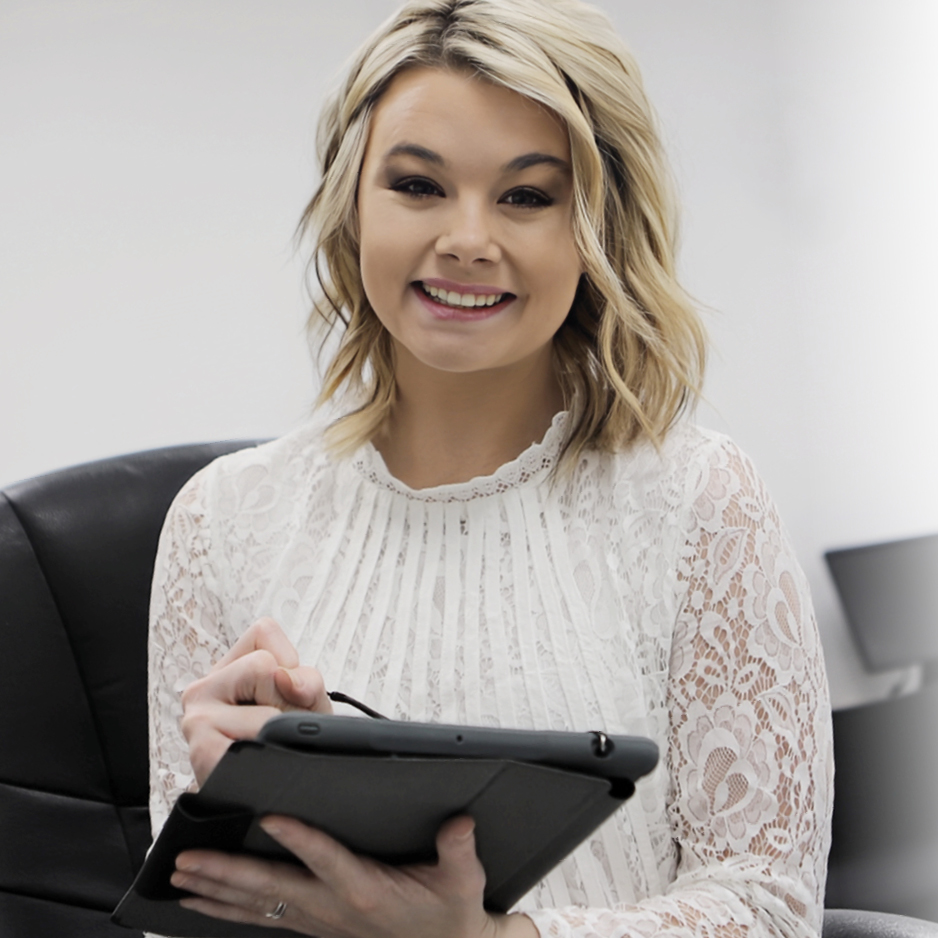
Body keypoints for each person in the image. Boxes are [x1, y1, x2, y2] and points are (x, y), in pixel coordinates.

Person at [147, 1, 834, 936]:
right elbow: (181, 918)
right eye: (419, 186)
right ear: (352, 206)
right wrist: (243, 820)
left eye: (526, 196)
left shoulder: (701, 503)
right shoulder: (219, 522)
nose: (468, 237)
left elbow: (771, 909)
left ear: (598, 229)